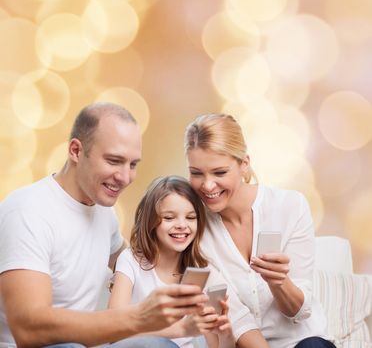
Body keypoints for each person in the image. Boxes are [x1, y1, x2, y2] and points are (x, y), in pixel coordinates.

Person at [0, 103, 208, 348]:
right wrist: (139, 317)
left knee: (159, 344)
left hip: (84, 346)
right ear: (76, 151)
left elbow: (128, 258)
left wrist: (177, 258)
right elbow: (28, 329)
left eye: (132, 165)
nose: (125, 177)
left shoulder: (103, 210)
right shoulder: (27, 211)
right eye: (113, 161)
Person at [184, 113, 337, 348]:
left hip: (302, 342)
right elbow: (234, 316)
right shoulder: (194, 229)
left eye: (219, 172)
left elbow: (300, 312)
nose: (207, 185)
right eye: (196, 173)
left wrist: (279, 283)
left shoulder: (290, 207)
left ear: (244, 164)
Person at [109, 175, 235, 348]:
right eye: (169, 218)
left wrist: (225, 335)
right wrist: (180, 329)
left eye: (191, 217)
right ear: (151, 221)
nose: (182, 225)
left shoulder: (202, 271)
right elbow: (113, 330)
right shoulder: (131, 260)